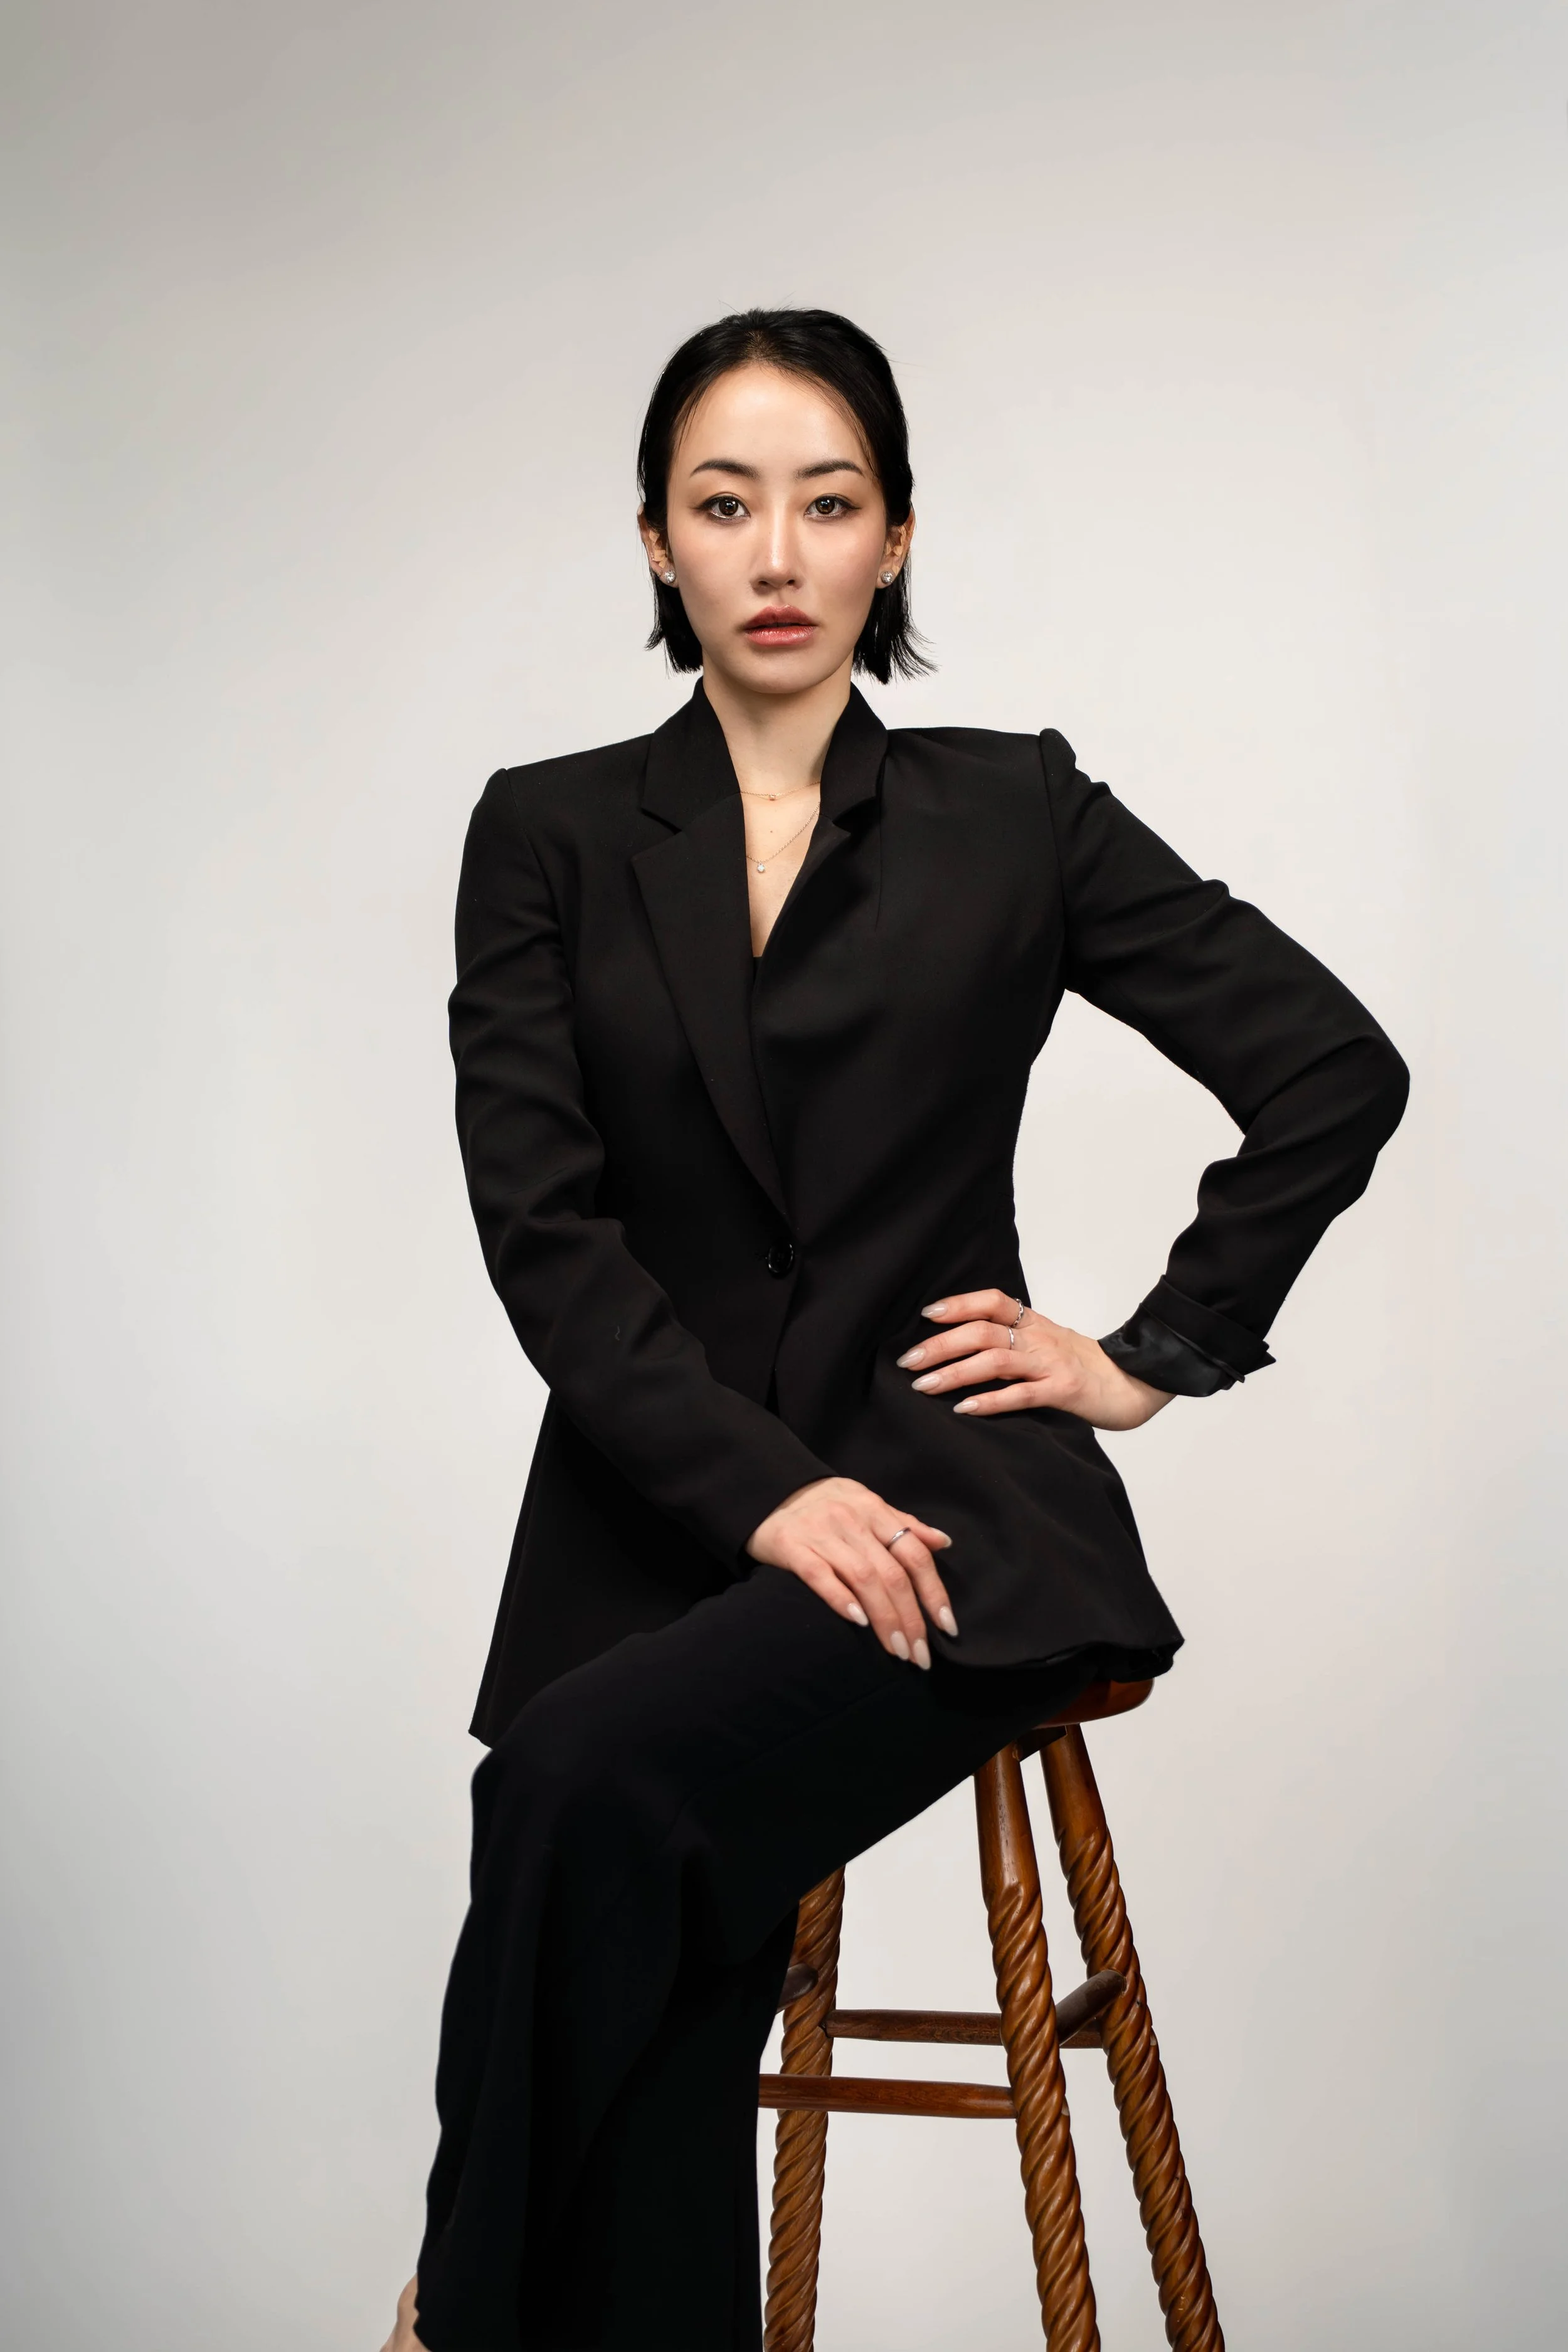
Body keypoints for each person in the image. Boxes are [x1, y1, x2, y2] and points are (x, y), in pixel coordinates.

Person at [382, 307, 1407, 2352]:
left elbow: (1327, 1066)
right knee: (638, 1957)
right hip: (651, 1510)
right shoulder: (552, 833)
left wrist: (1147, 1354)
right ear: (657, 544)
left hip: (947, 1510)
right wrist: (767, 1499)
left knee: (578, 1788)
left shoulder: (1010, 812)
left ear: (897, 539)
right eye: (724, 503)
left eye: (825, 504)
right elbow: (547, 1233)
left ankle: (444, 2321)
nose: (776, 552)